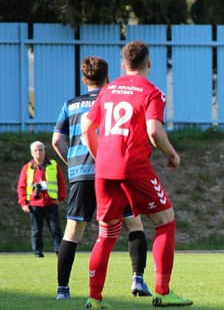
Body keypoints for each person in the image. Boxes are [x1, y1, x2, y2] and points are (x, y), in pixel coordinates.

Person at [81, 41, 192, 309]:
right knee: (165, 220)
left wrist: (101, 158)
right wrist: (171, 153)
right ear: (149, 64)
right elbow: (153, 130)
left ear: (123, 65)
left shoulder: (108, 90)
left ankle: (94, 299)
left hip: (104, 168)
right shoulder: (152, 92)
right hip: (133, 166)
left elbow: (87, 128)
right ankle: (162, 292)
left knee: (106, 233)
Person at [52, 56, 151, 301]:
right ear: (107, 77)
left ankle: (62, 290)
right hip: (114, 172)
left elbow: (56, 141)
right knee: (134, 224)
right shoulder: (112, 99)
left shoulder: (70, 104)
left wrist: (73, 164)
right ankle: (137, 278)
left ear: (84, 79)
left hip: (80, 175)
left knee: (73, 231)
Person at [17, 141, 67, 258]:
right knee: (36, 230)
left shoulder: (53, 165)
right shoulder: (27, 168)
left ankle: (59, 251)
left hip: (51, 202)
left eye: (41, 150)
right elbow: (21, 186)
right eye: (36, 150)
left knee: (55, 228)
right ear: (32, 153)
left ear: (45, 151)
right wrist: (23, 202)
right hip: (34, 203)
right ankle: (37, 252)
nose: (38, 153)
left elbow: (61, 182)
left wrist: (61, 198)